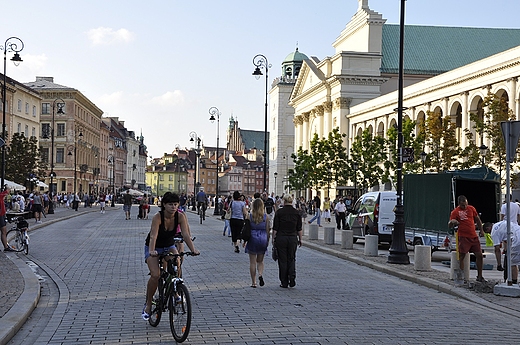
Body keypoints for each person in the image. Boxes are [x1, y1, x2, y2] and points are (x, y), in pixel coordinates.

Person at [142, 192, 199, 321]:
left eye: (175, 204)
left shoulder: (180, 216)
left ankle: (175, 291)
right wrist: (152, 251)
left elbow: (185, 234)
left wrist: (193, 249)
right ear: (164, 205)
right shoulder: (158, 217)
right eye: (170, 204)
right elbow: (153, 236)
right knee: (155, 275)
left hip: (169, 245)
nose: (173, 207)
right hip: (154, 246)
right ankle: (149, 304)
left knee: (177, 261)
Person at [448, 195, 486, 282]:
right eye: (462, 205)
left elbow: (477, 220)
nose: (465, 207)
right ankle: (462, 276)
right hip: (463, 236)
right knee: (462, 256)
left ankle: (480, 276)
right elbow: (450, 224)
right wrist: (452, 222)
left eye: (466, 204)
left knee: (479, 255)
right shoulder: (455, 212)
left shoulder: (471, 209)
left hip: (473, 236)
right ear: (459, 204)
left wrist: (481, 230)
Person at [272, 194, 302, 288]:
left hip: (281, 238)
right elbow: (299, 228)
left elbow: (275, 228)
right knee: (292, 258)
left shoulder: (279, 212)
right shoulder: (296, 213)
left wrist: (273, 239)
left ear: (284, 201)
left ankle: (284, 281)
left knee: (282, 260)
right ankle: (292, 277)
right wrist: (300, 239)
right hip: (292, 238)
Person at [243, 198, 270, 288]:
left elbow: (246, 229)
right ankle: (260, 274)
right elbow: (267, 230)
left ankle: (254, 282)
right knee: (260, 261)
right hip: (263, 238)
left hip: (253, 237)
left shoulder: (249, 216)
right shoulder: (266, 217)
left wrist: (244, 241)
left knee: (252, 262)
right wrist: (267, 241)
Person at [1, 186, 12, 251]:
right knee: (3, 231)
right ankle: (6, 247)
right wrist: (7, 189)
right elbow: (4, 193)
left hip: (2, 215)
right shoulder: (0, 197)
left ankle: (6, 246)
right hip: (0, 215)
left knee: (3, 232)